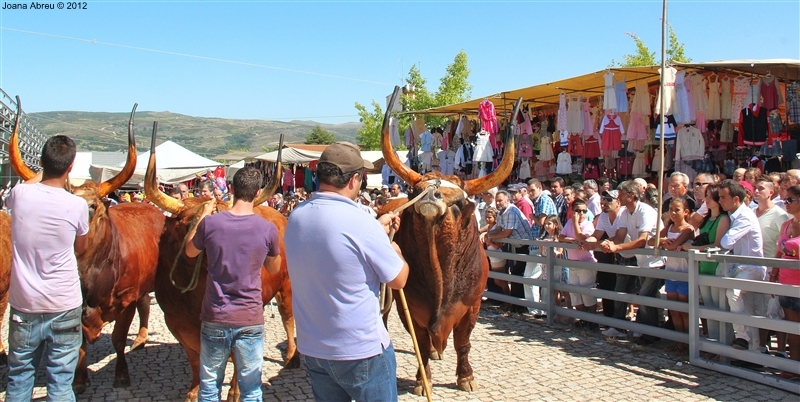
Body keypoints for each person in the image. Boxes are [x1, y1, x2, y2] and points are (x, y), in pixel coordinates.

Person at [284, 142, 409, 401]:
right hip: (360, 351)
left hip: (314, 349)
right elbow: (398, 279)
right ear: (355, 180)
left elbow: (337, 246)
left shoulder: (296, 216)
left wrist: (376, 228)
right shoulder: (361, 223)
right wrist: (393, 248)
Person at [184, 167, 282, 401]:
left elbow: (189, 251)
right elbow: (274, 269)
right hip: (249, 317)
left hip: (215, 315)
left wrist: (203, 215)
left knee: (209, 387)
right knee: (251, 389)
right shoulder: (267, 228)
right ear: (258, 192)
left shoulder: (211, 225)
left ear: (230, 189)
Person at [6, 135, 89, 401]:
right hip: (63, 303)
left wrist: (44, 169)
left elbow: (27, 186)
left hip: (25, 304)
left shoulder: (19, 194)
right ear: (71, 166)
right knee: (61, 383)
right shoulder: (77, 205)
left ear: (41, 161)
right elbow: (82, 249)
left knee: (19, 377)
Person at [599, 180, 661, 341]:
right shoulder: (626, 213)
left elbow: (642, 240)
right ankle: (645, 330)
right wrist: (609, 242)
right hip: (642, 260)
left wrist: (616, 248)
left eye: (621, 194)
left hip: (656, 260)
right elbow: (620, 236)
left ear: (631, 196)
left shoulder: (644, 211)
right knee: (644, 296)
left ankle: (650, 333)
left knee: (645, 296)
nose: (618, 196)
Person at [718, 180, 765, 351]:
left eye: (723, 197)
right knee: (748, 309)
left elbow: (726, 241)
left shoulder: (744, 216)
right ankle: (751, 351)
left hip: (752, 267)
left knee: (734, 293)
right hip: (740, 267)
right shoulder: (733, 215)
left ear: (736, 198)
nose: (720, 200)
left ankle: (742, 337)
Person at [682, 184, 731, 342]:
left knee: (719, 307)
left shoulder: (723, 219)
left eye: (710, 196)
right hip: (703, 265)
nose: (707, 200)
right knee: (708, 308)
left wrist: (694, 248)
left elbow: (718, 244)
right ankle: (713, 342)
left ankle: (723, 344)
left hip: (715, 266)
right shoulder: (706, 219)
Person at [649, 197, 695, 348]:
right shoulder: (668, 228)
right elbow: (651, 241)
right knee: (674, 310)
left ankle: (689, 341)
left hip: (684, 273)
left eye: (677, 210)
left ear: (686, 212)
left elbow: (675, 244)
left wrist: (664, 243)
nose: (673, 213)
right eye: (671, 210)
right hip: (671, 273)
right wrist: (662, 241)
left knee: (684, 310)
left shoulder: (688, 229)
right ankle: (680, 341)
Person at [753, 178, 790, 354]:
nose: (757, 191)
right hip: (756, 267)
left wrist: (775, 270)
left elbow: (783, 243)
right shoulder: (752, 212)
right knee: (760, 309)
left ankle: (781, 349)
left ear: (771, 193)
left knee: (776, 310)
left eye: (761, 188)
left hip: (772, 268)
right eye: (755, 188)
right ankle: (761, 345)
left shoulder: (779, 215)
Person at [581, 190, 624, 324]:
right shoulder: (603, 217)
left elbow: (617, 238)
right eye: (604, 199)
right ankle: (609, 319)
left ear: (619, 203)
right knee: (607, 284)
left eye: (609, 199)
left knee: (624, 291)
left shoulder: (624, 215)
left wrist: (596, 243)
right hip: (613, 254)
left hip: (629, 254)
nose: (605, 202)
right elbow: (597, 234)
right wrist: (588, 241)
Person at [773, 184, 800, 379]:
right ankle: (794, 366)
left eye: (790, 200)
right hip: (785, 282)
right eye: (785, 200)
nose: (786, 203)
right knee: (792, 327)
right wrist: (773, 275)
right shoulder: (786, 224)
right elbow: (779, 252)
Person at [558, 198, 598, 329]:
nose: (581, 213)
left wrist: (575, 223)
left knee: (587, 293)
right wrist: (571, 239)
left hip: (585, 263)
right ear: (572, 211)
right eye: (578, 211)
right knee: (575, 293)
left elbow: (582, 238)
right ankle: (582, 319)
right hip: (572, 262)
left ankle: (592, 320)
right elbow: (561, 237)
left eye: (584, 211)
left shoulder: (588, 224)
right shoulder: (569, 222)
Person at [488, 190, 531, 309]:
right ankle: (515, 304)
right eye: (496, 201)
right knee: (516, 273)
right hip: (516, 246)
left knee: (518, 274)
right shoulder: (502, 212)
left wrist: (490, 236)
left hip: (526, 246)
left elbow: (507, 232)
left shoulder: (511, 211)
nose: (498, 203)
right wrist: (489, 234)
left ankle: (520, 305)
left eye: (500, 200)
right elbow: (500, 229)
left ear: (507, 200)